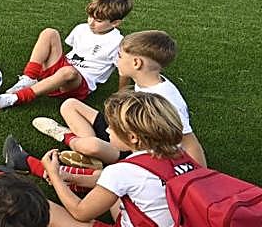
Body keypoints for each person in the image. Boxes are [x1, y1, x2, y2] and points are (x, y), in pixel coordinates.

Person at [42, 90, 192, 227]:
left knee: (36, 205)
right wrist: (67, 176)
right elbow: (121, 182)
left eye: (113, 126)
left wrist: (54, 175)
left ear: (133, 137)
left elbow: (80, 212)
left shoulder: (124, 170)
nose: (108, 130)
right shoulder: (180, 155)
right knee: (113, 187)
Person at [29, 29, 205, 169]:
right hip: (121, 131)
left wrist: (199, 176)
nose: (116, 60)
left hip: (132, 149)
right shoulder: (146, 81)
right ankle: (89, 158)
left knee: (91, 146)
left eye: (119, 56)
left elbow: (189, 141)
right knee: (69, 105)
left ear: (136, 63)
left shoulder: (165, 98)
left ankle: (68, 137)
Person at [0, 0, 131, 110]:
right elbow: (74, 51)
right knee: (49, 33)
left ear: (115, 23)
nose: (91, 23)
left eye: (98, 21)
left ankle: (16, 98)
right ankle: (29, 78)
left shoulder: (118, 43)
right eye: (90, 17)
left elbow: (123, 72)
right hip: (62, 68)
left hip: (77, 84)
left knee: (68, 72)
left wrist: (121, 97)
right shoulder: (81, 28)